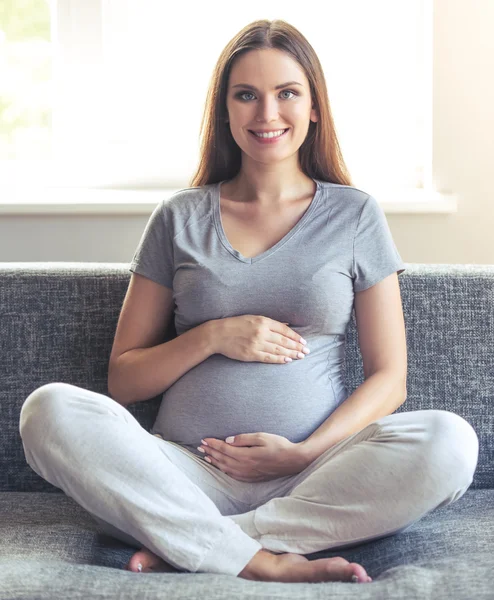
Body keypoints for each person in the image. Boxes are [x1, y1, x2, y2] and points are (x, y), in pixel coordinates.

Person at [19, 19, 479, 585]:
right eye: (247, 95)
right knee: (48, 409)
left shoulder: (355, 215)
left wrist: (305, 453)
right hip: (182, 476)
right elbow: (125, 381)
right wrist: (212, 335)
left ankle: (203, 544)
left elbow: (390, 378)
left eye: (287, 93)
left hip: (313, 481)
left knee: (450, 442)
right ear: (226, 111)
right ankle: (254, 556)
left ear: (314, 108)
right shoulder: (178, 218)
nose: (267, 114)